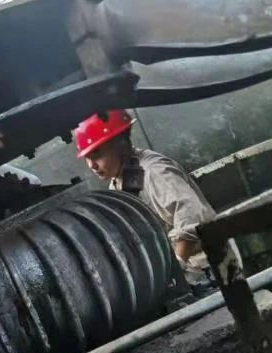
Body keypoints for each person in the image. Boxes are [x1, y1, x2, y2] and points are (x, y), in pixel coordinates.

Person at [73, 110, 241, 286]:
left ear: (120, 145)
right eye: (87, 158)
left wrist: (176, 265)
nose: (92, 165)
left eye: (97, 154)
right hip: (188, 275)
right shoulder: (121, 179)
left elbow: (193, 217)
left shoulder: (155, 172)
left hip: (211, 271)